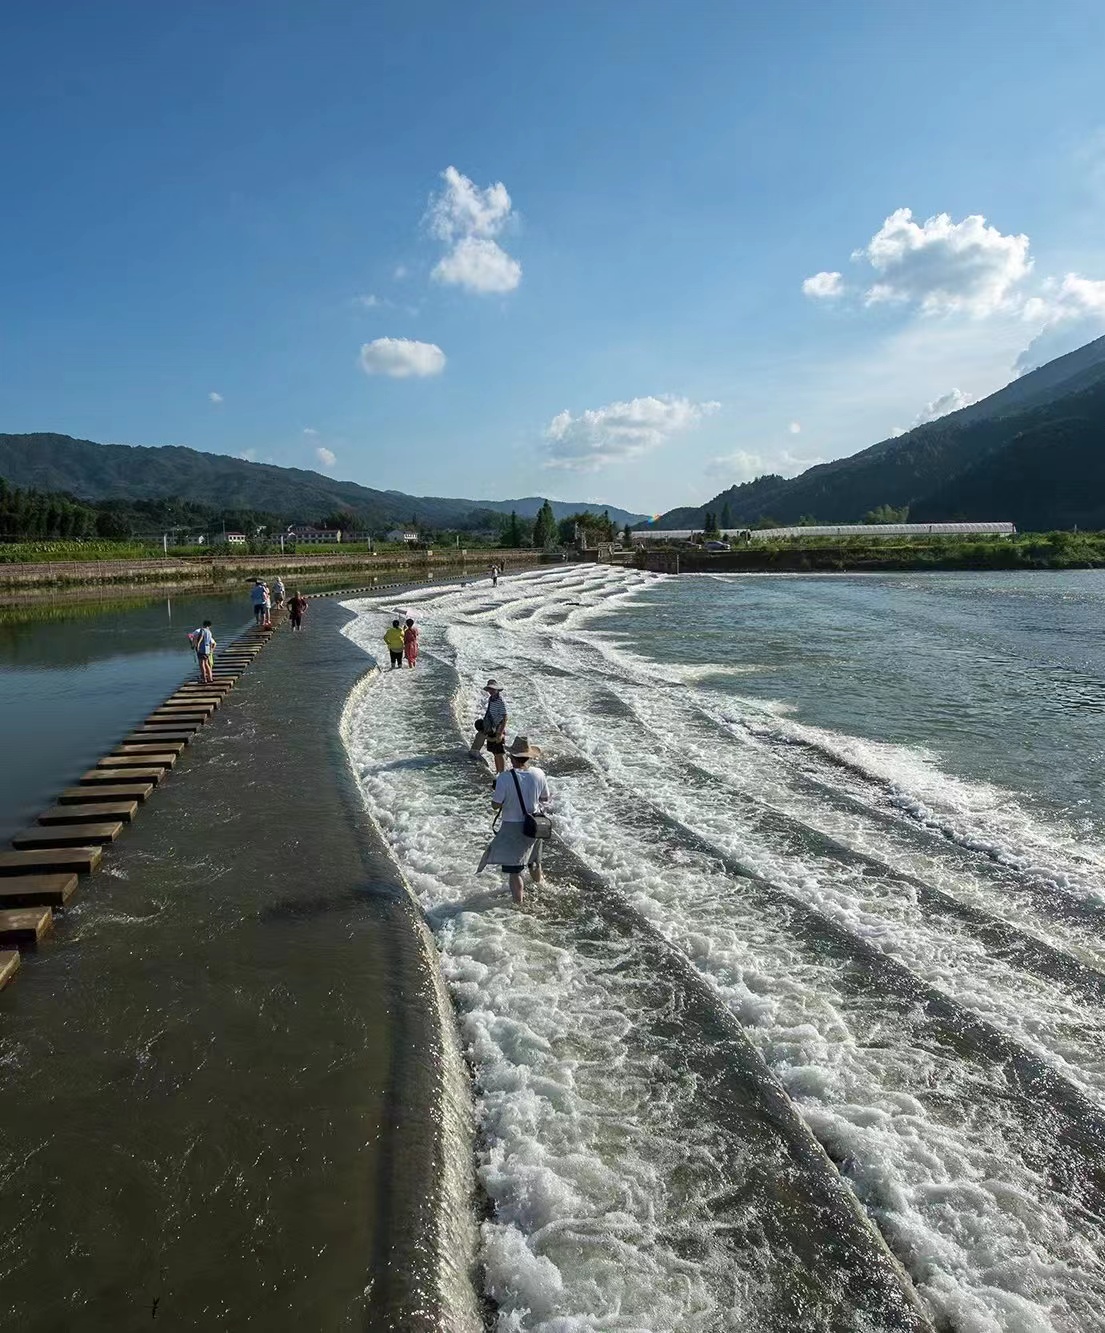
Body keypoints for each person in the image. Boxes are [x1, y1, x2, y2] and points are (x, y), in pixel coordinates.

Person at [477, 737, 551, 905]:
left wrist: (501, 794)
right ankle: (541, 889)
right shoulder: (539, 774)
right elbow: (545, 798)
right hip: (535, 824)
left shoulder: (504, 778)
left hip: (512, 827)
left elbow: (495, 805)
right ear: (528, 757)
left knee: (515, 870)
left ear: (511, 757)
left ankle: (519, 904)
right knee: (534, 861)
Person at [470, 679, 508, 773]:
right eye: (490, 689)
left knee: (499, 752)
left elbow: (505, 717)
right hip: (491, 727)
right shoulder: (491, 699)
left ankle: (502, 772)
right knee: (495, 752)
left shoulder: (500, 701)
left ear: (497, 690)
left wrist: (500, 733)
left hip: (498, 728)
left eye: (493, 689)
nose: (491, 691)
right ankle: (498, 771)